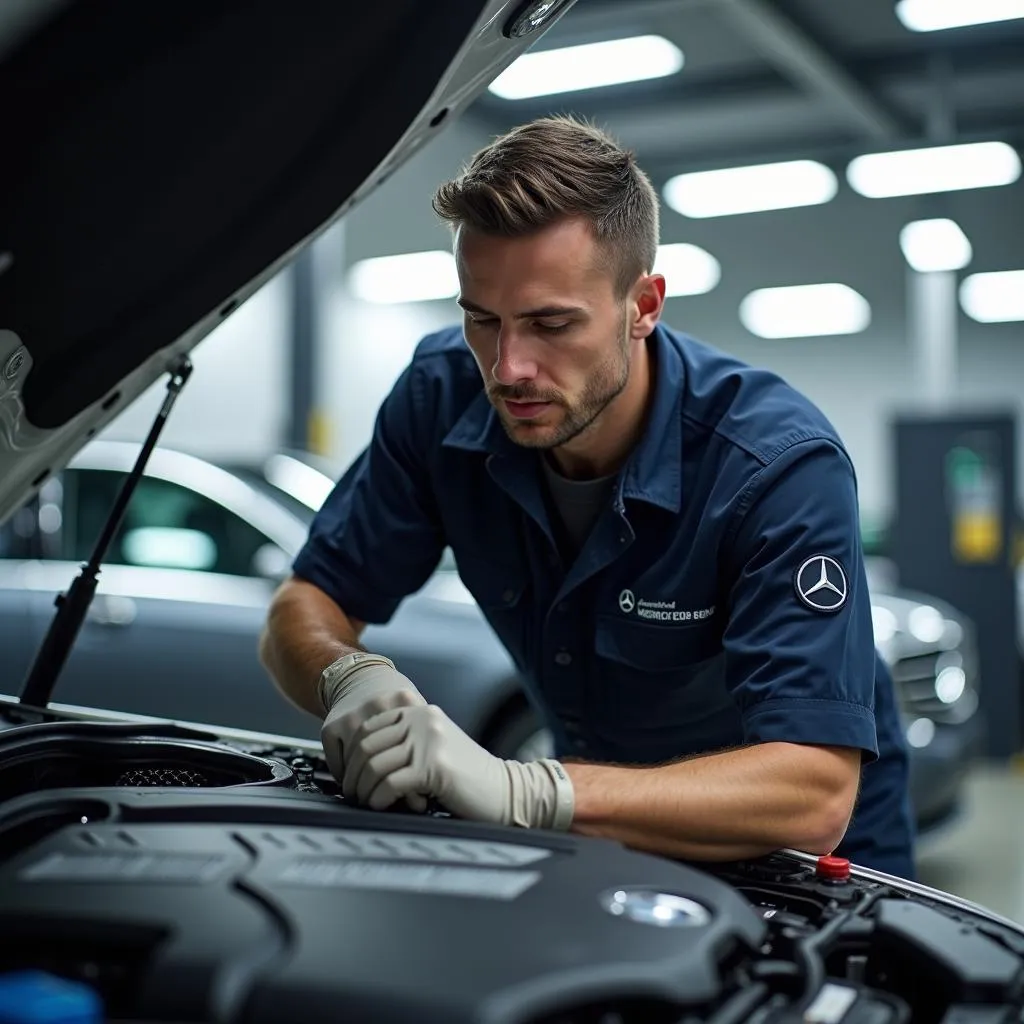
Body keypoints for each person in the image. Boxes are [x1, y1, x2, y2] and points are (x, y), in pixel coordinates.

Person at [258, 115, 916, 879]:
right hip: (601, 812)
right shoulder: (442, 399)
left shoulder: (776, 466)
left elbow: (815, 792)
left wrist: (526, 791)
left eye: (550, 323)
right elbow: (302, 606)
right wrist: (352, 677)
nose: (509, 368)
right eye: (482, 320)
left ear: (643, 306)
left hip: (797, 858)